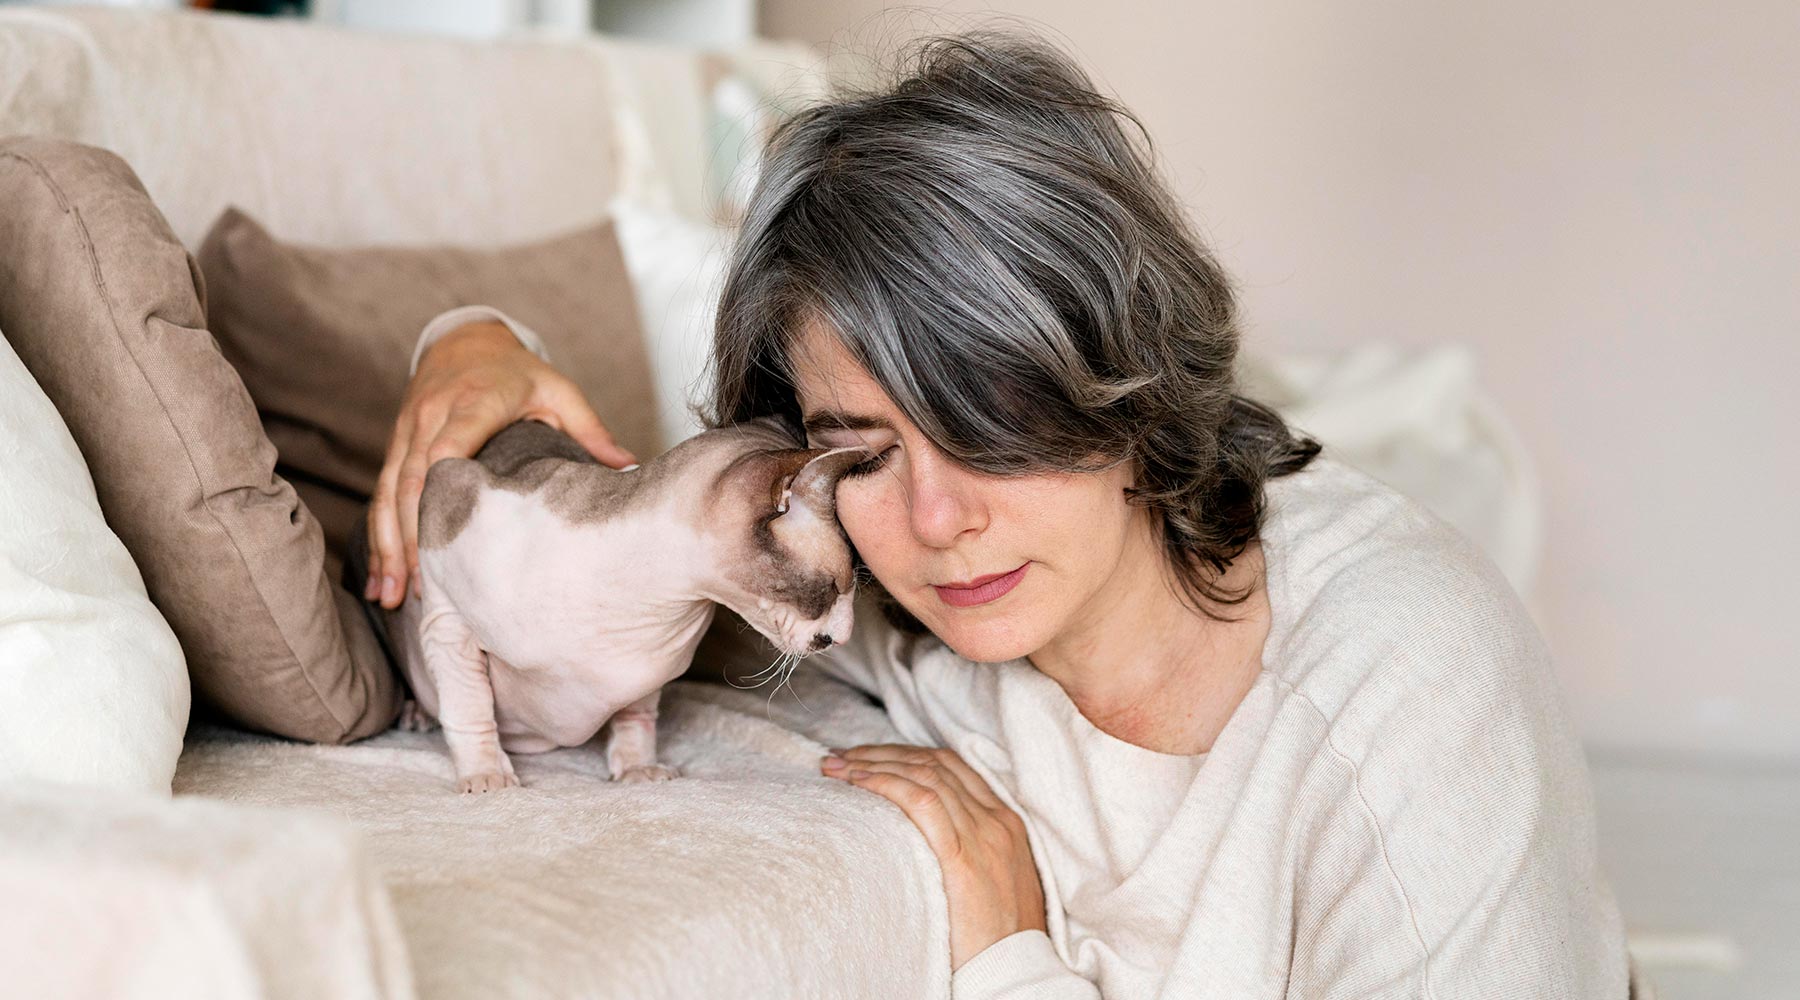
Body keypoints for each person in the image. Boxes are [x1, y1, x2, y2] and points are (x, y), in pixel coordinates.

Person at [362, 29, 1632, 998]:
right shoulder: (865, 592)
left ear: (1129, 374)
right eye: (859, 454)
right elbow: (636, 471)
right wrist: (470, 342)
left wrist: (1014, 959)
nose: (936, 517)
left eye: (990, 423)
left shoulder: (1405, 694)